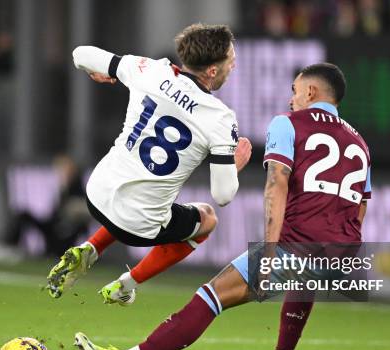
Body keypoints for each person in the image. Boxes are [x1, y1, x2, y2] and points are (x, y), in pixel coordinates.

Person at [73, 63, 372, 350]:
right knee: (305, 274)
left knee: (211, 297)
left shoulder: (288, 124)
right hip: (343, 250)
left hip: (297, 244)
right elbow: (360, 208)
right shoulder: (360, 143)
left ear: (311, 92)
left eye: (295, 91)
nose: (291, 99)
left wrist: (271, 250)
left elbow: (277, 184)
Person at [46, 24, 252, 304]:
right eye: (231, 58)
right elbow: (223, 195)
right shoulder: (220, 118)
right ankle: (125, 285)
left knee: (137, 195)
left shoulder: (150, 70)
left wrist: (106, 73)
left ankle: (90, 248)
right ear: (212, 71)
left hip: (95, 194)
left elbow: (81, 53)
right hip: (137, 225)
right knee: (207, 218)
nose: (234, 63)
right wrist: (233, 167)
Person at [0, 155, 88, 263]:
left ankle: (12, 248)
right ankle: (10, 246)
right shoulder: (63, 188)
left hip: (63, 234)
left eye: (64, 169)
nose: (61, 173)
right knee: (24, 215)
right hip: (53, 228)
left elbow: (79, 219)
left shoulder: (78, 190)